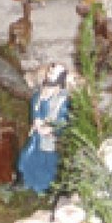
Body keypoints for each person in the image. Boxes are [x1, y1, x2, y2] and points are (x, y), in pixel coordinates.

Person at [17, 63, 70, 194]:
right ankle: (25, 180)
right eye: (50, 72)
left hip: (52, 140)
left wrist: (51, 129)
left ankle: (49, 187)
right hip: (37, 136)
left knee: (50, 163)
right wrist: (36, 121)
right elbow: (35, 107)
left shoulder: (63, 101)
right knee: (27, 156)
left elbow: (64, 120)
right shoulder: (39, 95)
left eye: (53, 73)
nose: (50, 75)